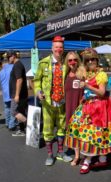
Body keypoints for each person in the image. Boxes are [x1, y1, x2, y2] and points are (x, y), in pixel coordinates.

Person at [65, 48, 111, 174]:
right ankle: (101, 157)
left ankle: (89, 160)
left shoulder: (101, 74)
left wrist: (88, 86)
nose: (90, 62)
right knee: (85, 132)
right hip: (88, 105)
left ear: (97, 60)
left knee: (96, 133)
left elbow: (102, 92)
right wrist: (84, 96)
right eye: (88, 60)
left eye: (93, 59)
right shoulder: (87, 73)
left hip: (100, 106)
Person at [34, 36, 73, 166]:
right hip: (48, 103)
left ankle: (61, 152)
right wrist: (38, 92)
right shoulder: (43, 63)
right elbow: (36, 81)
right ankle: (50, 155)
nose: (58, 49)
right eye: (56, 47)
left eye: (61, 47)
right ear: (52, 48)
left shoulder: (67, 63)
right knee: (48, 129)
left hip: (63, 102)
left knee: (62, 128)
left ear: (63, 49)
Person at [64, 51, 86, 166]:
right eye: (70, 60)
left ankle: (84, 155)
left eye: (74, 60)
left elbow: (88, 90)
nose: (72, 62)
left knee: (82, 132)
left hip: (80, 108)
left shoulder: (83, 74)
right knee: (73, 132)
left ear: (78, 60)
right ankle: (77, 156)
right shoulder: (65, 75)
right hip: (68, 107)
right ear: (67, 62)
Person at [9, 51, 28, 136]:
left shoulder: (17, 65)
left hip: (18, 95)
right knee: (20, 111)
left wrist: (16, 95)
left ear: (13, 56)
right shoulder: (17, 65)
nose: (7, 59)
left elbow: (19, 80)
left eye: (8, 56)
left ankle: (29, 124)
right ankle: (22, 130)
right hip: (20, 94)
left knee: (13, 111)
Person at [0, 56, 16, 131]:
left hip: (5, 92)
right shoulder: (13, 67)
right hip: (12, 91)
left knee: (7, 108)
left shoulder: (1, 72)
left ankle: (7, 122)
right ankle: (11, 124)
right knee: (14, 108)